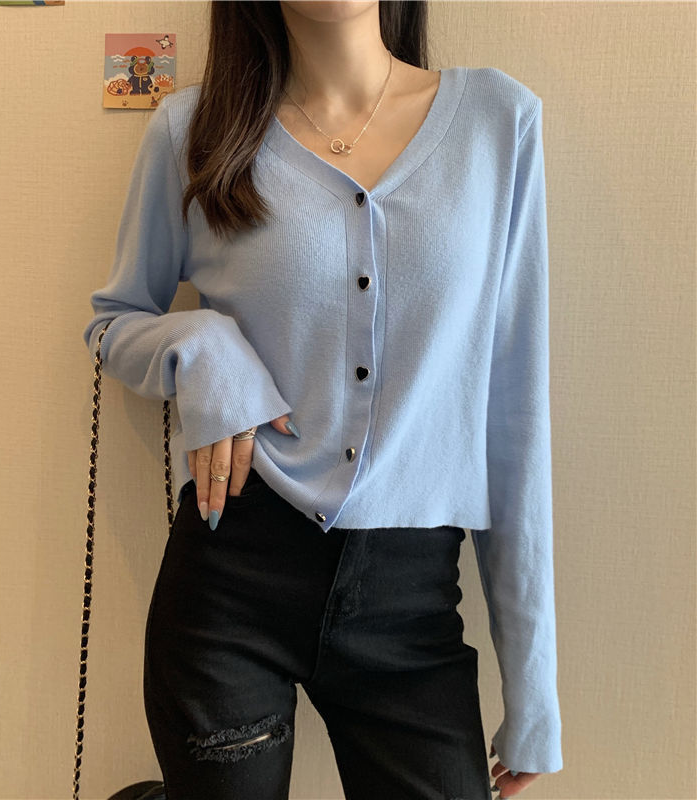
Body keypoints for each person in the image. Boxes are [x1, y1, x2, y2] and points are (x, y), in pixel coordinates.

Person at [82, 2, 563, 798]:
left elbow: (514, 416)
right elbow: (114, 321)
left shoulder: (497, 122)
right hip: (231, 572)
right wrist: (202, 344)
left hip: (411, 601)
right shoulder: (191, 131)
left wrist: (533, 684)